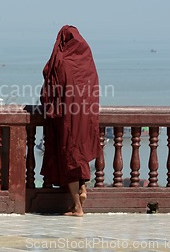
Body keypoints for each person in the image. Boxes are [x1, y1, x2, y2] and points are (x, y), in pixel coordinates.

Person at [40, 25, 100, 217]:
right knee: (79, 154)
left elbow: (52, 85)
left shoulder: (62, 61)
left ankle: (77, 207)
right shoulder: (86, 61)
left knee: (70, 157)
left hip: (67, 117)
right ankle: (83, 189)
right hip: (86, 117)